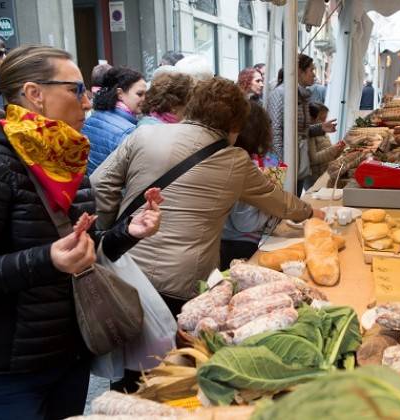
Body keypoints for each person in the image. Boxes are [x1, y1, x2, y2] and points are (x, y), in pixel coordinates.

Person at [0, 45, 160, 420]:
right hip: (12, 368)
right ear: (35, 94)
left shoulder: (66, 155)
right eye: (76, 89)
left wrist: (126, 233)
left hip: (70, 352)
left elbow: (86, 247)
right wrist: (47, 259)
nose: (87, 102)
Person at [91, 77, 323, 318]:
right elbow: (278, 201)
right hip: (181, 280)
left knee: (123, 338)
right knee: (172, 347)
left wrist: (114, 231)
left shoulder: (145, 135)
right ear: (235, 124)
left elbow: (100, 183)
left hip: (123, 263)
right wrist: (311, 212)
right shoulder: (235, 160)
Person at [220, 101, 281, 268]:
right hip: (240, 245)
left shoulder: (228, 157)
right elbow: (245, 223)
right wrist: (270, 207)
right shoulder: (245, 165)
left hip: (226, 241)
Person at [266, 55, 337, 195]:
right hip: (284, 162)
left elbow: (299, 131)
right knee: (284, 203)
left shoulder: (301, 95)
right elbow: (275, 132)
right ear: (299, 71)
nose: (314, 74)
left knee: (295, 199)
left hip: (297, 159)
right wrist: (283, 166)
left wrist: (320, 128)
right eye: (312, 70)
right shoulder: (280, 94)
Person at [82, 66, 146, 175]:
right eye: (139, 94)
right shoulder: (128, 131)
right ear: (120, 94)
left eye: (146, 94)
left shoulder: (90, 119)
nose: (144, 98)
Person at [306, 102, 345, 189]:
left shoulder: (322, 132)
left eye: (325, 118)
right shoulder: (310, 135)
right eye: (321, 119)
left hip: (324, 173)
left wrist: (339, 150)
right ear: (312, 118)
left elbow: (329, 155)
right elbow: (314, 159)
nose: (325, 122)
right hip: (314, 178)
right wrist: (334, 149)